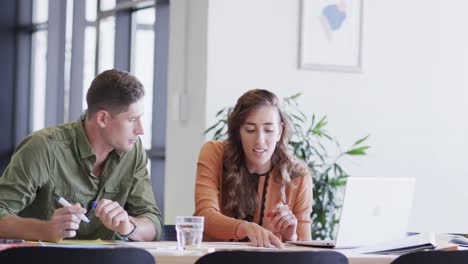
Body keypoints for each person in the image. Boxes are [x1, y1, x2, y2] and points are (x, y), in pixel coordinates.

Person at [0, 69, 162, 242]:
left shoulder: (133, 151)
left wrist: (129, 227)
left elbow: (153, 223)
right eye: (131, 120)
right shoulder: (44, 147)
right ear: (103, 119)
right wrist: (45, 230)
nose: (141, 130)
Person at [195, 89, 312, 248]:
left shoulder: (298, 176)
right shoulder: (214, 153)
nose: (260, 141)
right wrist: (244, 228)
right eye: (250, 130)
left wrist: (290, 236)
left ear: (280, 131)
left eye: (269, 130)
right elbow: (204, 216)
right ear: (238, 132)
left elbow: (307, 252)